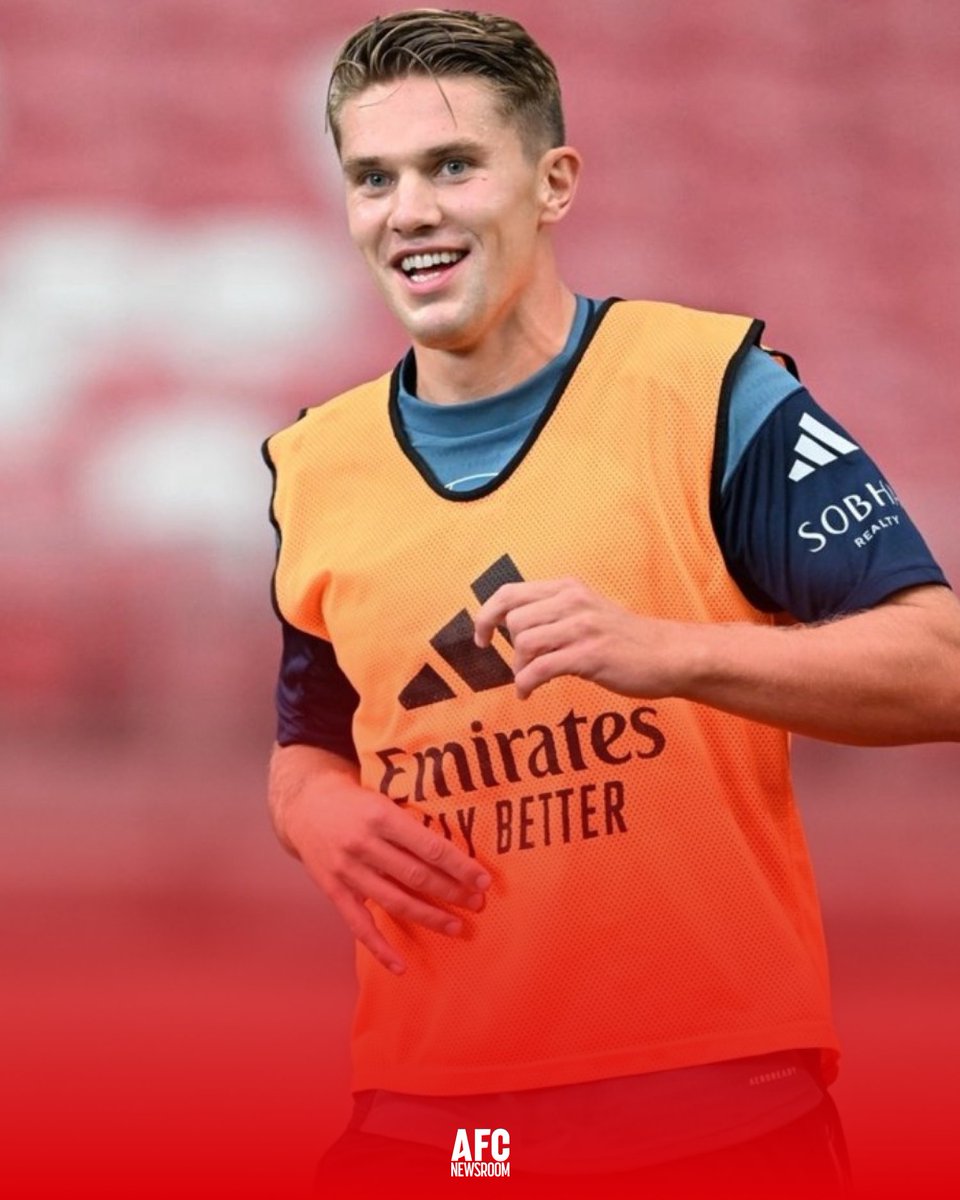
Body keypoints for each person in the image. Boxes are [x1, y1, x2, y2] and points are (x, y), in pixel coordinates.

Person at [262, 9, 960, 1197]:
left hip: (709, 1114)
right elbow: (310, 739)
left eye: (452, 166)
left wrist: (671, 653)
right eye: (373, 178)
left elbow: (940, 663)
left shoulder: (711, 392)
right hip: (439, 1129)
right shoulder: (314, 466)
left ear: (554, 184)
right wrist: (310, 809)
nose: (409, 210)